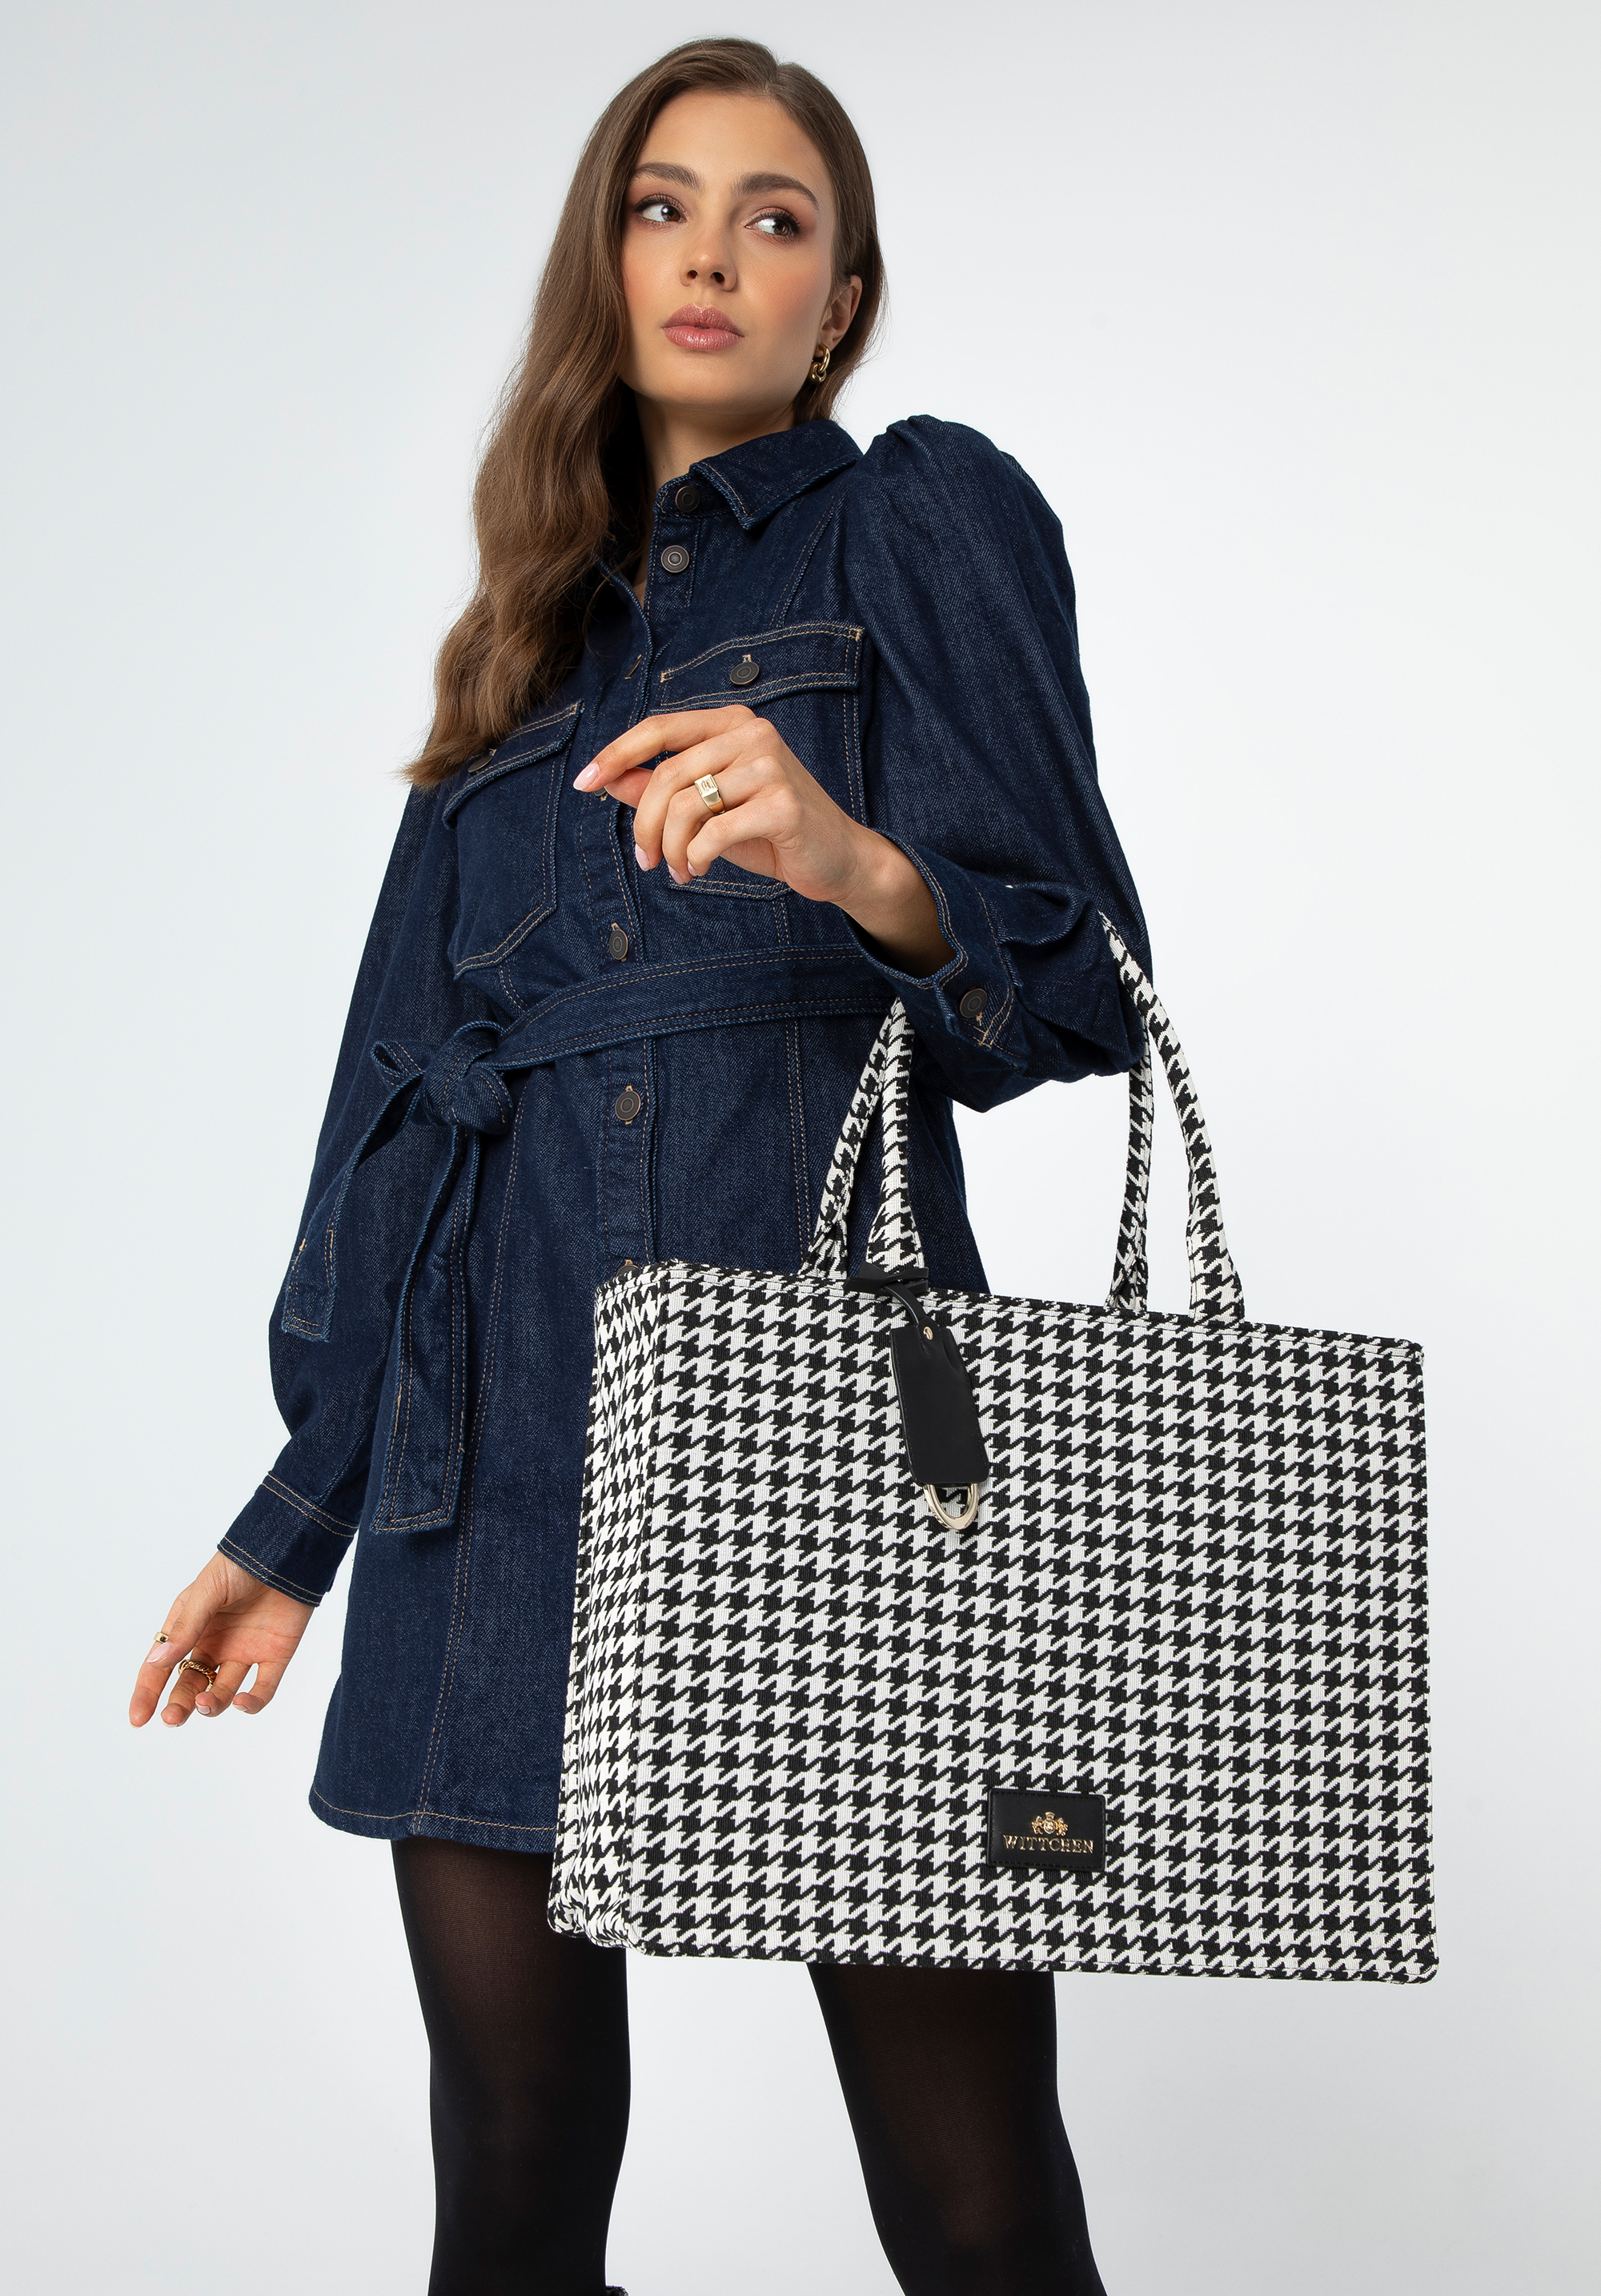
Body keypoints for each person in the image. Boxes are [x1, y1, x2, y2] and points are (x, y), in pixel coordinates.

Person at [129, 37, 1147, 2296]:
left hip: (844, 1464)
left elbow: (1081, 984)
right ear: (604, 262)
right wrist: (293, 1520)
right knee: (508, 2175)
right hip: (489, 1473)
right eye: (662, 204)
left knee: (978, 2196)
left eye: (777, 217)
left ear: (838, 301)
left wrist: (851, 857)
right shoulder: (516, 662)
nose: (712, 252)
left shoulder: (920, 519)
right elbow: (387, 1118)